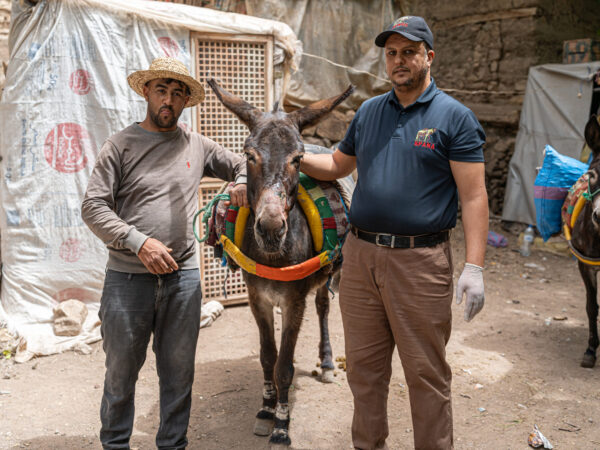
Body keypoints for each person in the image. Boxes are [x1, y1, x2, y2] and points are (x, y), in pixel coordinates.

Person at [300, 16, 488, 450]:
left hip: (419, 263)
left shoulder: (454, 117)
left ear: (429, 57)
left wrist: (475, 266)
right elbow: (338, 165)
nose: (399, 61)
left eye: (409, 52)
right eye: (392, 53)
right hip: (361, 257)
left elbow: (475, 197)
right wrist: (296, 155)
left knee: (425, 373)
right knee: (363, 371)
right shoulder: (369, 112)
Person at [81, 57, 248, 449]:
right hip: (127, 280)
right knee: (121, 374)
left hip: (183, 278)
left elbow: (242, 163)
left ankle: (172, 445)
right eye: (161, 91)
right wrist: (139, 242)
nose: (168, 100)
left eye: (177, 93)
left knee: (178, 374)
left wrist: (241, 181)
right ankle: (116, 444)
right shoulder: (120, 145)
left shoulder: (197, 144)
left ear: (187, 100)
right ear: (146, 92)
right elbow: (93, 207)